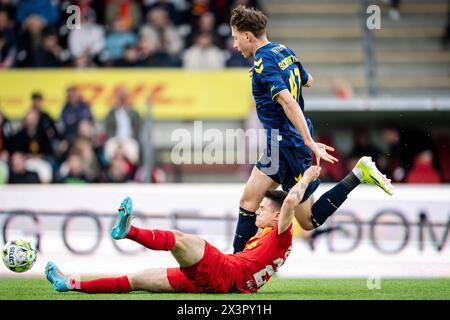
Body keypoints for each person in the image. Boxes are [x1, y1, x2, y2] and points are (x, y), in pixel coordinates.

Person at [229, 6, 394, 253]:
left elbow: (288, 102)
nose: (234, 44)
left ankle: (358, 174)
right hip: (278, 143)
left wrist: (308, 141)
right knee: (248, 201)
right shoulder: (284, 51)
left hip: (291, 144)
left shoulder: (264, 64)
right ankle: (236, 267)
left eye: (235, 37)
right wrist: (267, 79)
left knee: (308, 220)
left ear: (248, 36)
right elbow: (308, 80)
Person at [45, 165, 321, 294]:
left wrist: (307, 176)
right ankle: (69, 284)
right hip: (219, 284)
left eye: (263, 208)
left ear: (277, 217)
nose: (257, 210)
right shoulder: (270, 236)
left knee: (177, 239)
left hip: (224, 271)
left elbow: (289, 202)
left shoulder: (280, 232)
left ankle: (127, 231)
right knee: (135, 281)